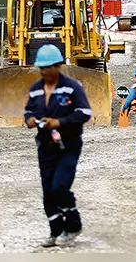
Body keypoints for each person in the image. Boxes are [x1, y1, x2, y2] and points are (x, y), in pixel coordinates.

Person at [23, 44, 93, 247]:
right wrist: (29, 119)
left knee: (59, 187)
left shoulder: (72, 87)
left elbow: (85, 113)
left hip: (68, 145)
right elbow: (29, 110)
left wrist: (59, 122)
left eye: (48, 67)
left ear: (58, 66)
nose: (44, 71)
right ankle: (56, 231)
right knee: (47, 191)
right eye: (41, 68)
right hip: (46, 146)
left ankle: (73, 225)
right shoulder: (36, 89)